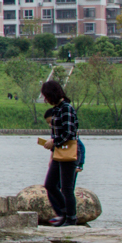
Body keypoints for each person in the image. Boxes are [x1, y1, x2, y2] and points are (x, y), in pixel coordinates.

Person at [38, 80, 80, 226]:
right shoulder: (57, 109)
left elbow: (69, 132)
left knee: (67, 188)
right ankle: (63, 213)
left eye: (47, 96)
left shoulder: (66, 108)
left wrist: (54, 141)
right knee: (50, 184)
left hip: (67, 152)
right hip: (58, 152)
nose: (46, 100)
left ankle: (71, 218)